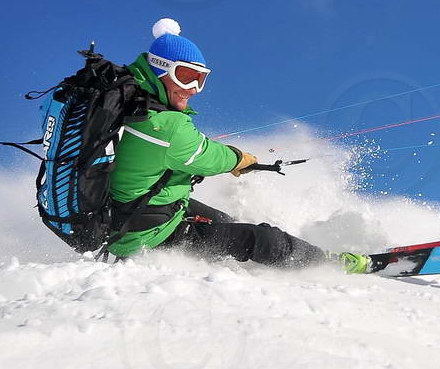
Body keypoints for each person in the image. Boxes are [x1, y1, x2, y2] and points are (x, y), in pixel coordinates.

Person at [108, 18, 370, 273]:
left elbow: (181, 148)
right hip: (145, 234)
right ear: (159, 68)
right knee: (263, 238)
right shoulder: (165, 125)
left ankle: (233, 254)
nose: (193, 88)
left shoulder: (132, 103)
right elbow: (202, 153)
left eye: (201, 79)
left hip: (137, 212)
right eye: (186, 76)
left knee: (226, 223)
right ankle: (329, 264)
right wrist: (239, 158)